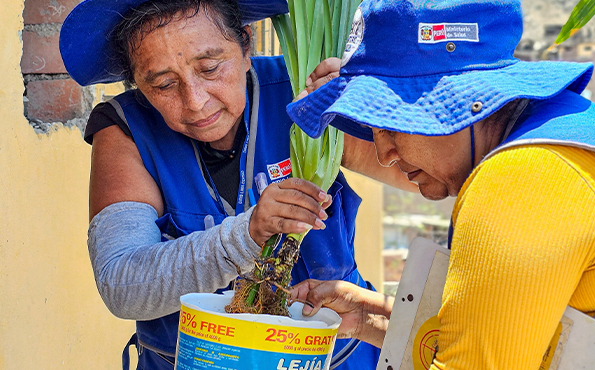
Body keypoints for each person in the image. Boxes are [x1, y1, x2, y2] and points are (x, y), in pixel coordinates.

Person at [287, 0, 595, 368]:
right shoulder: (569, 132)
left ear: (461, 104)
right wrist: (374, 317)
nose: (384, 154)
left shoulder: (519, 183)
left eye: (390, 124)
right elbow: (525, 338)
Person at [59, 0, 414, 368]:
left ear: (245, 46)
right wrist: (244, 236)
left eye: (210, 68)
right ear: (136, 84)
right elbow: (122, 283)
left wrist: (376, 112)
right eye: (164, 84)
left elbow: (432, 178)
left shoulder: (306, 90)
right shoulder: (125, 132)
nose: (195, 102)